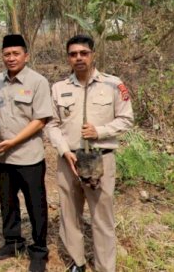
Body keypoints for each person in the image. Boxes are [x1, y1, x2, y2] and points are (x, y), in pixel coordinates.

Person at [45, 35, 133, 272]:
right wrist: (64, 151)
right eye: (73, 54)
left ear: (93, 54)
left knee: (102, 217)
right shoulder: (58, 88)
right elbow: (51, 124)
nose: (79, 58)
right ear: (68, 58)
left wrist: (99, 131)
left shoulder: (113, 84)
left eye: (84, 53)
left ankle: (106, 266)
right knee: (69, 214)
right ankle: (78, 262)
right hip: (69, 160)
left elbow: (126, 119)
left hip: (100, 160)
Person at [0, 34, 53, 272]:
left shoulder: (38, 82)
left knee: (36, 204)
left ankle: (39, 250)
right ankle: (13, 242)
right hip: (0, 156)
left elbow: (41, 119)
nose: (11, 58)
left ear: (26, 55)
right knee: (7, 201)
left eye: (16, 54)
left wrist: (13, 142)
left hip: (28, 156)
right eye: (7, 54)